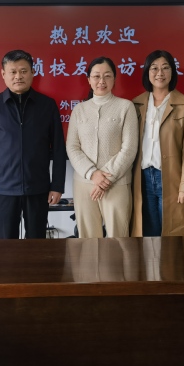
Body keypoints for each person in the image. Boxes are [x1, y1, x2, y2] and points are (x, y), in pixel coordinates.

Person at [0, 50, 66, 239]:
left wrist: (57, 185)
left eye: (24, 71)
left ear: (33, 72)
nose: (18, 76)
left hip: (38, 187)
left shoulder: (47, 105)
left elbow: (58, 149)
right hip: (3, 189)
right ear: (3, 74)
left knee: (37, 243)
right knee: (6, 244)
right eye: (13, 72)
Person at [130, 50, 184, 237]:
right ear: (147, 72)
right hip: (142, 178)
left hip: (171, 178)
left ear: (172, 72)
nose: (159, 73)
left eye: (165, 68)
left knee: (173, 235)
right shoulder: (136, 104)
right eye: (154, 68)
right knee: (148, 234)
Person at [66, 56, 138, 238]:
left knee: (118, 239)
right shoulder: (79, 110)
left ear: (114, 78)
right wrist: (92, 174)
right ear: (88, 80)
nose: (101, 81)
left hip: (116, 184)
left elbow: (129, 148)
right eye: (96, 76)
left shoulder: (126, 107)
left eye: (107, 76)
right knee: (88, 240)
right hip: (84, 184)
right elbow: (72, 147)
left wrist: (106, 178)